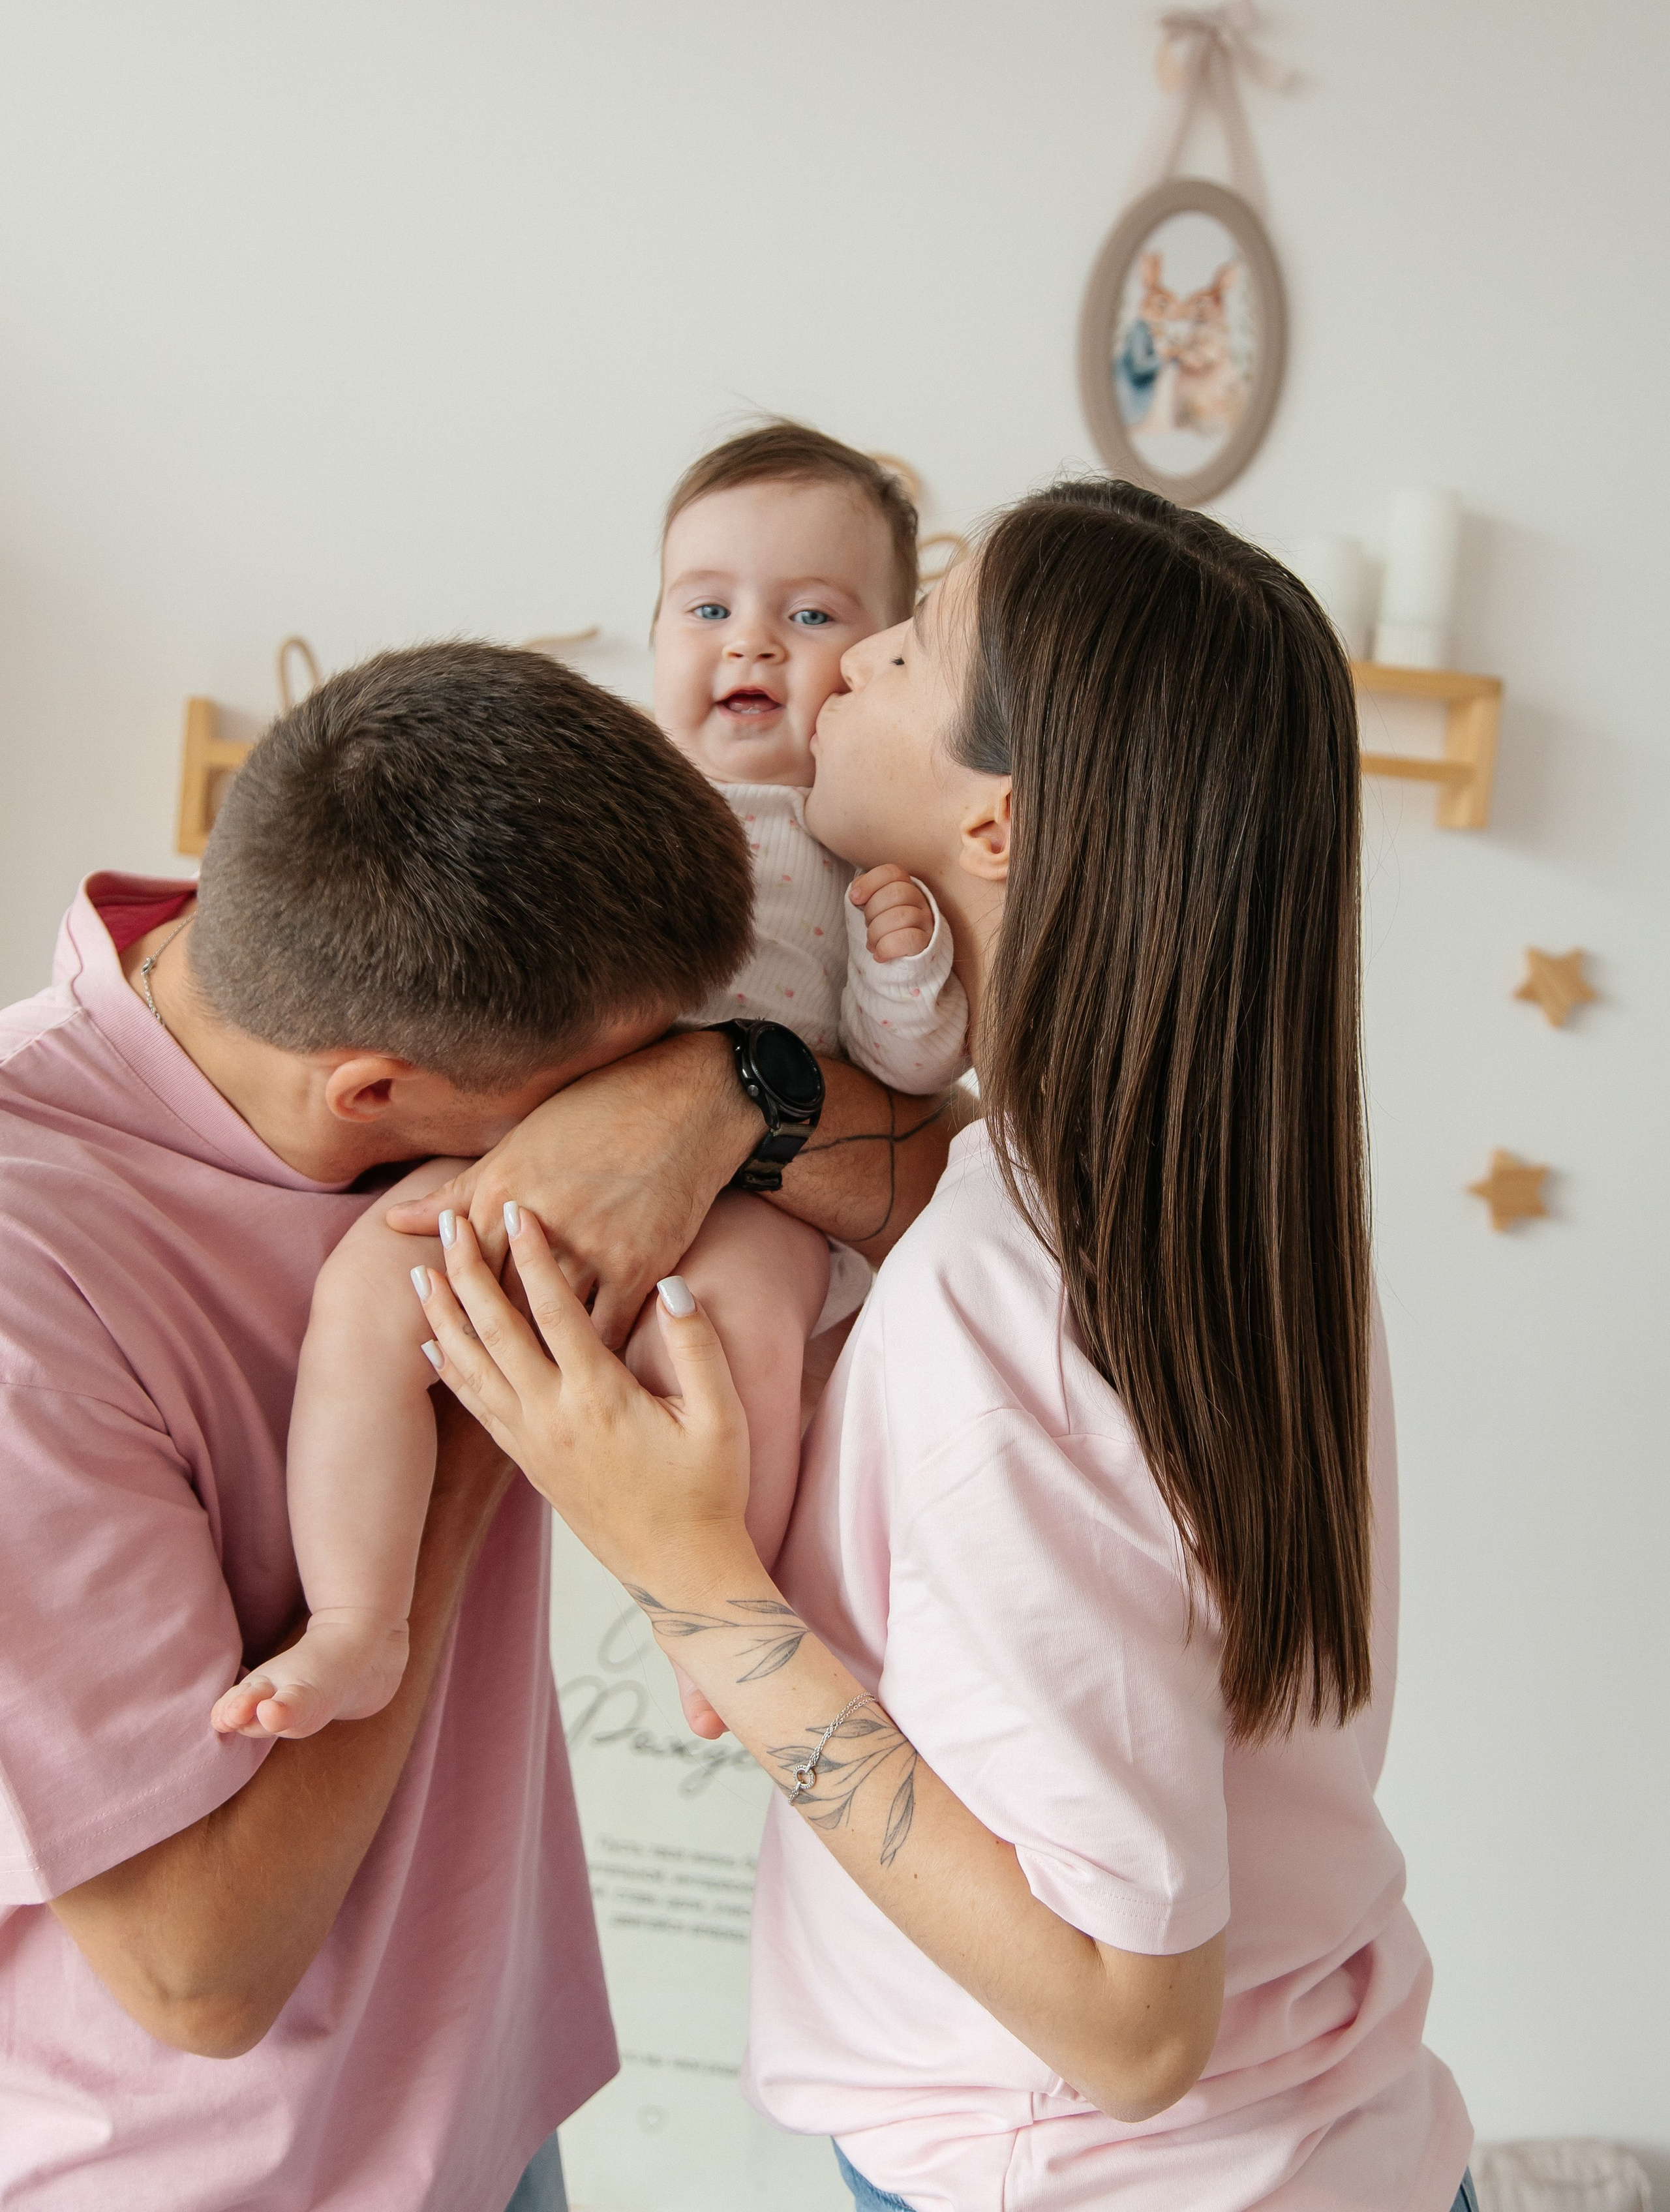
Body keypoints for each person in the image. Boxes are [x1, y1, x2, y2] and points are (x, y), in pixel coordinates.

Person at [407, 485, 1478, 2212]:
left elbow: (1133, 2026)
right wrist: (723, 1085)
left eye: (908, 642)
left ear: (995, 825)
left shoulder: (1005, 1301)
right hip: (1344, 2143)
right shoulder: (1228, 1208)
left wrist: (690, 1583)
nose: (846, 661)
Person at [0, 637, 952, 2212]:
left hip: (491, 2113)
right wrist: (476, 1391)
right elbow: (200, 1978)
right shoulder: (33, 1299)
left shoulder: (391, 939)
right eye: (583, 1094)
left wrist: (724, 1092)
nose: (597, 1134)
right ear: (375, 1098)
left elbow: (942, 1186)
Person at [239, 421, 969, 1748]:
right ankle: (357, 1619)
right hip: (539, 1145)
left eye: (808, 613)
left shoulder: (854, 835)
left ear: (871, 664)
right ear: (653, 635)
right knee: (364, 1294)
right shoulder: (614, 791)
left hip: (762, 1197)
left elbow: (909, 1075)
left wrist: (910, 969)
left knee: (729, 1334)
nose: (749, 642)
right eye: (707, 606)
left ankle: (719, 1635)